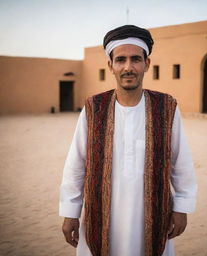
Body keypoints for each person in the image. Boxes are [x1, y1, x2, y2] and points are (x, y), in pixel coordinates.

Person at [59, 25, 197, 256]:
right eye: (120, 59)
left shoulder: (167, 107)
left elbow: (180, 161)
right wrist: (70, 211)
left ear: (147, 64)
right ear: (110, 65)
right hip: (99, 214)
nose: (128, 67)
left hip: (154, 215)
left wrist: (182, 207)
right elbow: (76, 162)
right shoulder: (94, 108)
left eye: (136, 59)